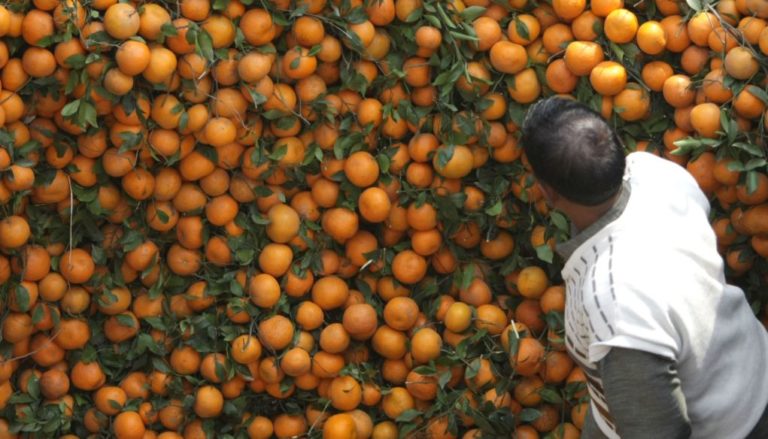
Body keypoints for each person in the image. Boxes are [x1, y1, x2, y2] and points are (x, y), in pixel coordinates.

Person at [520, 97, 768, 439]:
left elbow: (655, 429)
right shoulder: (655, 172)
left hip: (730, 425)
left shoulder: (616, 304)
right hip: (747, 363)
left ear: (548, 192)